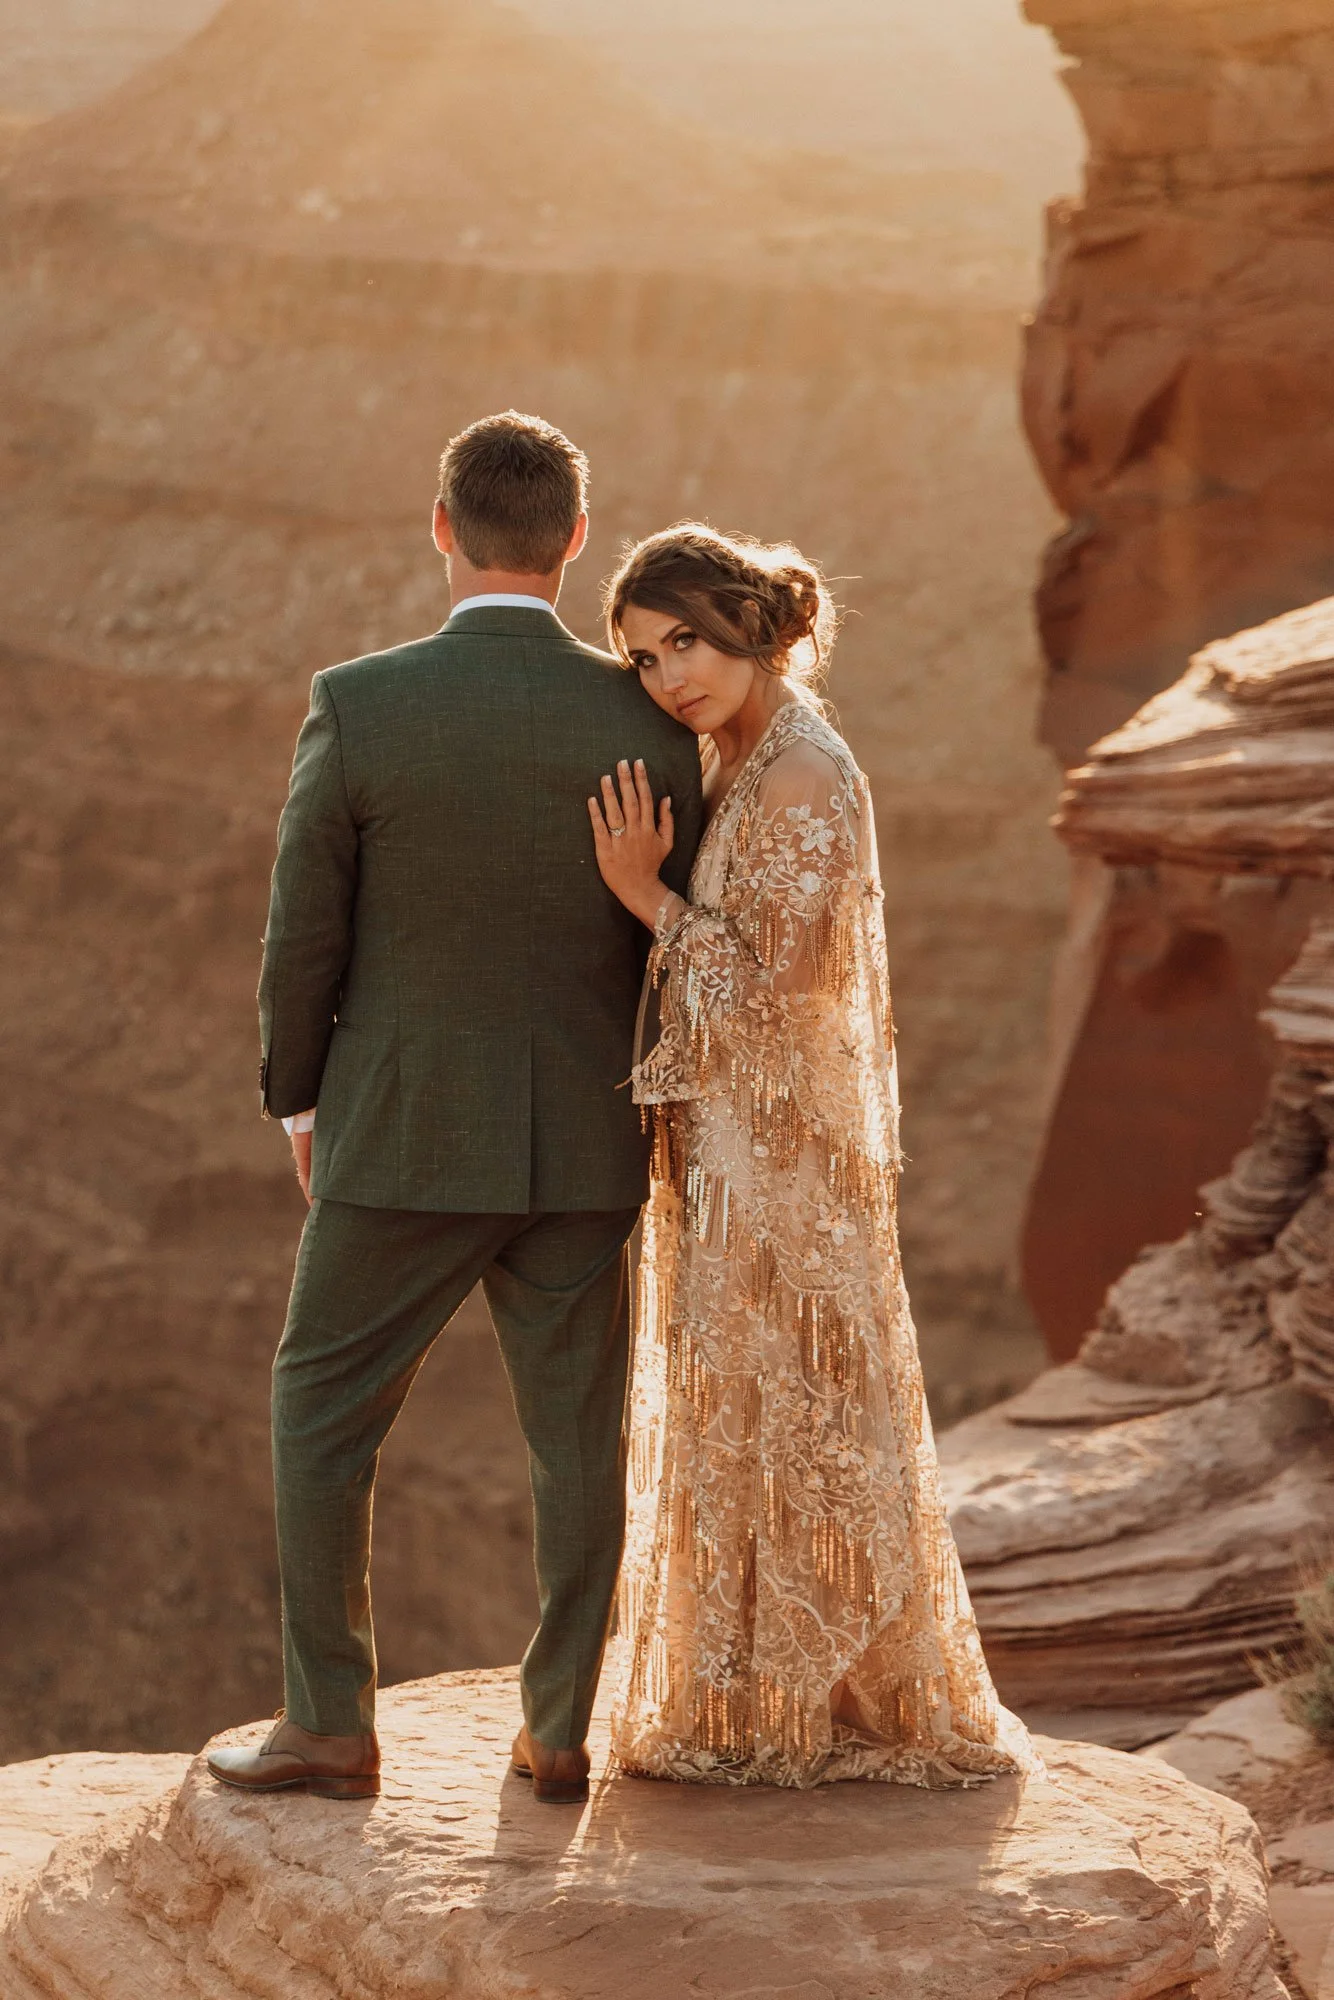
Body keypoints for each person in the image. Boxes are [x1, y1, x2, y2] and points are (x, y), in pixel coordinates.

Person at [206, 413, 704, 1807]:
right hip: (587, 1140)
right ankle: (559, 1727)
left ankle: (328, 1723)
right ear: (576, 539)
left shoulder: (361, 702)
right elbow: (689, 936)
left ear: (443, 528)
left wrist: (298, 1104)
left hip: (400, 1133)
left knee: (320, 1414)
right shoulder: (648, 713)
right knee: (577, 1441)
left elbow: (303, 931)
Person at [588, 524, 1030, 1787]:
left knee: (802, 1403)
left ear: (744, 619)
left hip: (781, 1158)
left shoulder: (800, 775)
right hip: (730, 1146)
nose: (668, 674)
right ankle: (760, 1685)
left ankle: (824, 1698)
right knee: (745, 1402)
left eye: (683, 639)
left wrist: (646, 894)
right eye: (640, 658)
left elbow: (780, 997)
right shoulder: (736, 755)